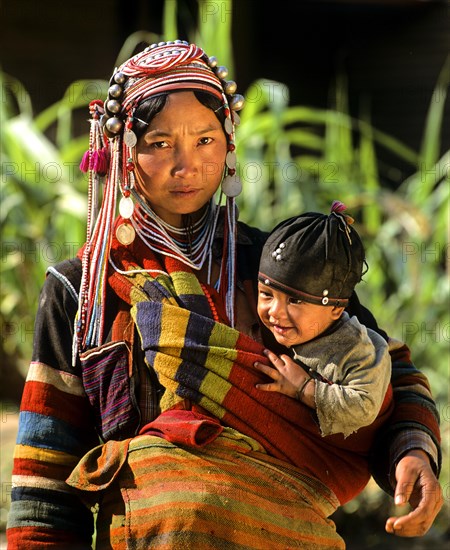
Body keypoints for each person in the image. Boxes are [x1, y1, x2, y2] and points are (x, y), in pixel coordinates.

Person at [7, 41, 442, 549]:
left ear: (229, 145)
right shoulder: (82, 288)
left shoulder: (276, 266)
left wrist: (414, 453)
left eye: (205, 139)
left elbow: (389, 371)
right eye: (160, 143)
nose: (186, 164)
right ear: (123, 149)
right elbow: (47, 465)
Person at [253, 202, 393, 440]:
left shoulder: (355, 350)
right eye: (266, 295)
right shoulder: (265, 327)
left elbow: (364, 406)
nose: (275, 311)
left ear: (337, 309)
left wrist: (303, 388)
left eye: (295, 301)